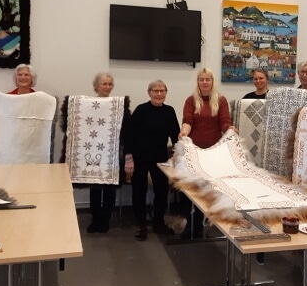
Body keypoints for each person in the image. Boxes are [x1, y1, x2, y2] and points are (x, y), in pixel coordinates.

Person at [178, 68, 233, 239]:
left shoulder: (221, 100)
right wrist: (184, 132)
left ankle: (206, 224)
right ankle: (192, 224)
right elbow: (188, 121)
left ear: (212, 81)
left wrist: (230, 129)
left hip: (213, 154)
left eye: (207, 79)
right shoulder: (190, 100)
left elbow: (224, 122)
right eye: (201, 79)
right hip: (194, 153)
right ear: (198, 82)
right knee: (190, 190)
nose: (204, 82)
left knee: (209, 191)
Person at [123, 80, 180, 241]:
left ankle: (158, 223)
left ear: (166, 93)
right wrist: (129, 158)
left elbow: (175, 136)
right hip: (139, 157)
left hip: (160, 158)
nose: (159, 94)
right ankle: (141, 225)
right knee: (139, 191)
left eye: (162, 91)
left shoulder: (169, 111)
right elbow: (129, 135)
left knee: (161, 191)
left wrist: (177, 153)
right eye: (155, 91)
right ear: (149, 93)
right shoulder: (141, 110)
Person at [86, 72, 124, 233]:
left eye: (110, 84)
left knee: (109, 188)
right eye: (104, 84)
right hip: (93, 152)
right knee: (95, 188)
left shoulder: (117, 106)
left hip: (111, 153)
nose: (107, 87)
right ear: (96, 86)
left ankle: (105, 220)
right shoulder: (88, 105)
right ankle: (95, 219)